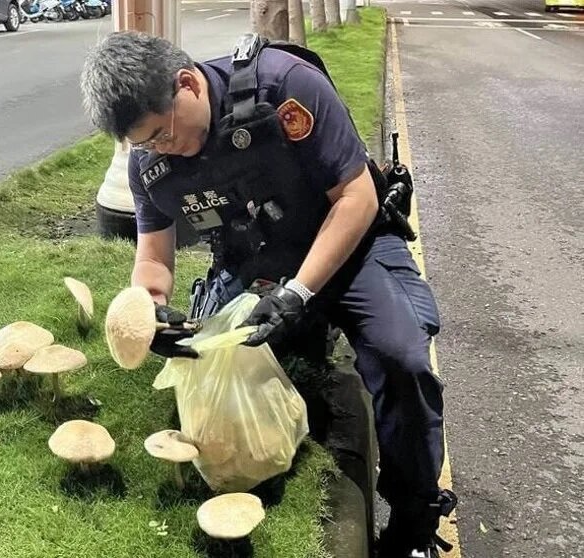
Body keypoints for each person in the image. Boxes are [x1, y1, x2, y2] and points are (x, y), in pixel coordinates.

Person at [81, 30, 456, 558]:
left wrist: (300, 292)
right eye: (142, 144)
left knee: (402, 358)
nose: (157, 149)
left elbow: (356, 196)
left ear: (186, 84)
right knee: (210, 371)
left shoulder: (281, 87)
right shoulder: (152, 166)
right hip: (256, 264)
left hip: (351, 248)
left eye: (160, 134)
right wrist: (149, 307)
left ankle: (415, 523)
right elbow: (152, 258)